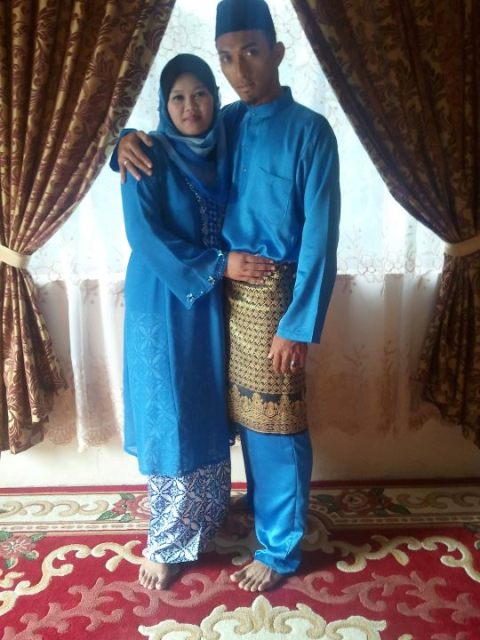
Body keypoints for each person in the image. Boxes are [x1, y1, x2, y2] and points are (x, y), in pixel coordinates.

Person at [116, 0, 340, 593]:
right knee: (239, 418)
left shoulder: (310, 133)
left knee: (276, 424)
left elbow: (321, 240)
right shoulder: (230, 122)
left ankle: (281, 547)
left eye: (252, 52)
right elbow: (173, 142)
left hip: (276, 296)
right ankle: (260, 505)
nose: (240, 69)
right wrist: (122, 140)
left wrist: (298, 324)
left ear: (277, 52)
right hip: (223, 294)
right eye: (227, 57)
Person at [118, 53, 272, 591]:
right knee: (172, 413)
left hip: (208, 303)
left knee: (205, 406)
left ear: (215, 98)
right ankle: (165, 542)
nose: (190, 107)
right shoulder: (148, 155)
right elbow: (144, 235)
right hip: (163, 301)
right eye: (177, 97)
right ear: (164, 105)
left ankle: (204, 519)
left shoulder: (224, 143)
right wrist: (121, 138)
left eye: (200, 93)